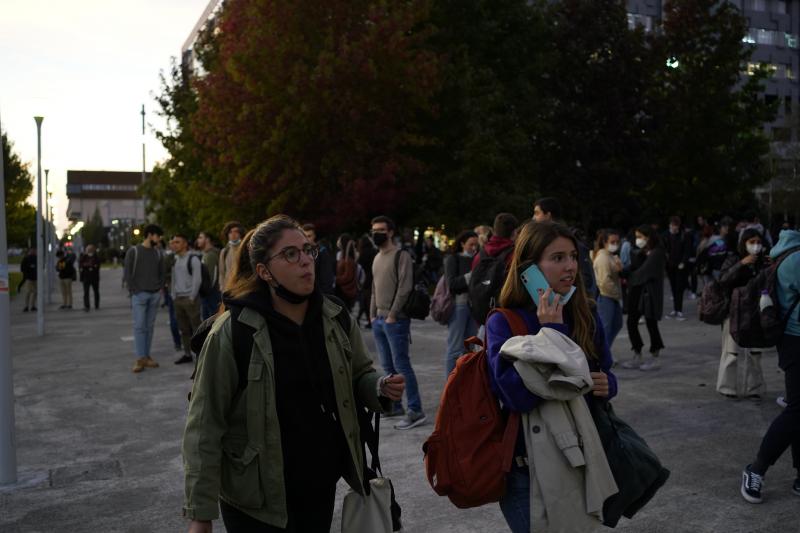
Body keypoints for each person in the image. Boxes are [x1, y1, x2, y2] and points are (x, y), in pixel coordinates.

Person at [182, 215, 404, 532]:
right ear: (264, 271)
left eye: (307, 250)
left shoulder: (334, 316)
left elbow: (359, 375)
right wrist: (200, 515)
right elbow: (204, 423)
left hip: (318, 486)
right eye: (290, 254)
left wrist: (379, 388)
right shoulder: (233, 332)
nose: (305, 262)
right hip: (255, 501)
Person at [485, 220, 618, 532]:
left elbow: (603, 369)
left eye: (572, 256)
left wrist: (608, 384)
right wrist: (552, 333)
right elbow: (516, 395)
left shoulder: (585, 311)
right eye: (557, 258)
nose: (570, 266)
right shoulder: (504, 322)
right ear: (529, 269)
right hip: (526, 469)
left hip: (581, 457)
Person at [741, 228, 800, 504]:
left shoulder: (786, 255)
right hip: (796, 341)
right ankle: (756, 469)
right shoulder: (796, 259)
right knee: (798, 409)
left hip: (791, 340)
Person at [370, 215, 426, 430]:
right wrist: (372, 314)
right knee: (387, 367)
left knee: (402, 365)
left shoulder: (400, 255)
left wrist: (392, 314)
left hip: (396, 320)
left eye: (381, 229)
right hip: (379, 320)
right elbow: (374, 288)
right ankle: (395, 406)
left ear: (391, 232)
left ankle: (415, 410)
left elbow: (404, 286)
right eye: (374, 229)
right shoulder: (377, 257)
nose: (377, 233)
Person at [716, 228, 768, 399]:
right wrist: (741, 264)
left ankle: (755, 388)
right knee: (731, 351)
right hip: (734, 310)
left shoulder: (763, 262)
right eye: (752, 242)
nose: (756, 246)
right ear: (743, 243)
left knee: (755, 352)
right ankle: (727, 387)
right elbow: (722, 280)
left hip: (756, 311)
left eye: (758, 242)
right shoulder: (733, 259)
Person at [532, 196, 598, 297]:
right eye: (558, 258)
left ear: (548, 215)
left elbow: (586, 279)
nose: (534, 218)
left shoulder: (571, 242)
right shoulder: (539, 241)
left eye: (537, 213)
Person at [622, 225, 666, 371]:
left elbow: (643, 272)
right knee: (631, 322)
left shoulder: (657, 252)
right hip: (638, 292)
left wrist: (625, 274)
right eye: (637, 236)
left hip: (649, 293)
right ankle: (637, 353)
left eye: (640, 236)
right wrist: (623, 270)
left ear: (649, 237)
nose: (638, 240)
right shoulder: (643, 251)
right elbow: (634, 267)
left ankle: (655, 356)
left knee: (651, 322)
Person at [124, 224, 166, 373]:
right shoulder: (134, 251)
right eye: (157, 236)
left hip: (154, 294)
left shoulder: (158, 253)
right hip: (139, 294)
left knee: (149, 327)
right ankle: (140, 358)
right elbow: (127, 273)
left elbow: (163, 273)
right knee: (140, 327)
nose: (159, 239)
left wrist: (159, 288)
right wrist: (134, 290)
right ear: (150, 235)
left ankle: (146, 357)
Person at [443, 230, 479, 376]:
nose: (474, 248)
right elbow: (452, 283)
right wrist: (473, 276)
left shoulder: (478, 259)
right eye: (471, 244)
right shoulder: (453, 259)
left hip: (473, 306)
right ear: (462, 243)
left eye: (476, 245)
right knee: (455, 347)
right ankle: (450, 385)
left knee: (470, 348)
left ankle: (465, 383)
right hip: (459, 305)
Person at [171, 234, 203, 365]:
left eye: (177, 242)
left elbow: (197, 279)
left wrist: (192, 297)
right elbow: (173, 279)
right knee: (183, 329)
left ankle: (200, 355)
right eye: (173, 242)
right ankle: (187, 353)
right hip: (178, 298)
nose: (174, 244)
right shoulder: (176, 259)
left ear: (185, 244)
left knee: (196, 328)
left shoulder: (193, 259)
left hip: (190, 299)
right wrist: (173, 295)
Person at [593, 229, 624, 348]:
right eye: (612, 241)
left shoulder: (610, 256)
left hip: (612, 296)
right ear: (605, 242)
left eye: (617, 241)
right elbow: (604, 281)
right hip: (606, 296)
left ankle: (605, 352)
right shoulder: (603, 258)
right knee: (606, 328)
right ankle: (602, 355)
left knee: (616, 325)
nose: (615, 244)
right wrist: (616, 293)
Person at [663, 216, 691, 320]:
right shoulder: (665, 235)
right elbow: (663, 249)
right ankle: (675, 309)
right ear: (669, 225)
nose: (674, 227)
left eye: (676, 226)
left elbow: (687, 250)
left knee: (679, 288)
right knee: (673, 287)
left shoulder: (684, 235)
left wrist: (683, 262)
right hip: (670, 266)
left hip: (680, 266)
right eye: (672, 225)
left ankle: (679, 310)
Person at [302, 223, 336, 295]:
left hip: (321, 294)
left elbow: (327, 276)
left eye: (309, 236)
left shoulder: (322, 251)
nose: (306, 239)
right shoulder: (302, 252)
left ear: (314, 236)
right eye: (304, 236)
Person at [196, 231, 221, 321]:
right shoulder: (207, 254)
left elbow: (211, 278)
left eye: (200, 237)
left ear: (207, 239)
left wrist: (205, 292)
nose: (198, 240)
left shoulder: (210, 255)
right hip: (209, 295)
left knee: (211, 323)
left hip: (210, 295)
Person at [355, 234, 377, 328]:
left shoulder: (363, 253)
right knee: (368, 301)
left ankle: (361, 319)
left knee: (365, 301)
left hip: (365, 280)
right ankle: (366, 319)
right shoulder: (374, 252)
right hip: (374, 278)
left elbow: (359, 266)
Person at [218, 221, 245, 291]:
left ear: (240, 234)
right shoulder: (224, 252)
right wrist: (222, 288)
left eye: (236, 231)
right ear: (227, 235)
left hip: (243, 288)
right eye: (230, 232)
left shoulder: (245, 249)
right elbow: (222, 273)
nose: (233, 234)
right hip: (229, 289)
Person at [79, 244, 101, 311]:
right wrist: (90, 266)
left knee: (96, 291)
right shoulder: (84, 257)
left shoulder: (96, 257)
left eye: (90, 249)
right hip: (86, 277)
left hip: (94, 277)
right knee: (86, 292)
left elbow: (97, 265)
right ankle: (87, 306)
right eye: (88, 249)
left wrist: (89, 266)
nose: (89, 250)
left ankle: (96, 305)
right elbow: (81, 265)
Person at [20, 247, 37, 312]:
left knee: (35, 292)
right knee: (28, 292)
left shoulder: (36, 258)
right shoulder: (26, 258)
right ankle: (26, 306)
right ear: (30, 251)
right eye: (32, 250)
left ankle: (33, 305)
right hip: (29, 278)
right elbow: (22, 268)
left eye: (34, 250)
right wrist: (26, 275)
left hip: (35, 278)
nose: (33, 251)